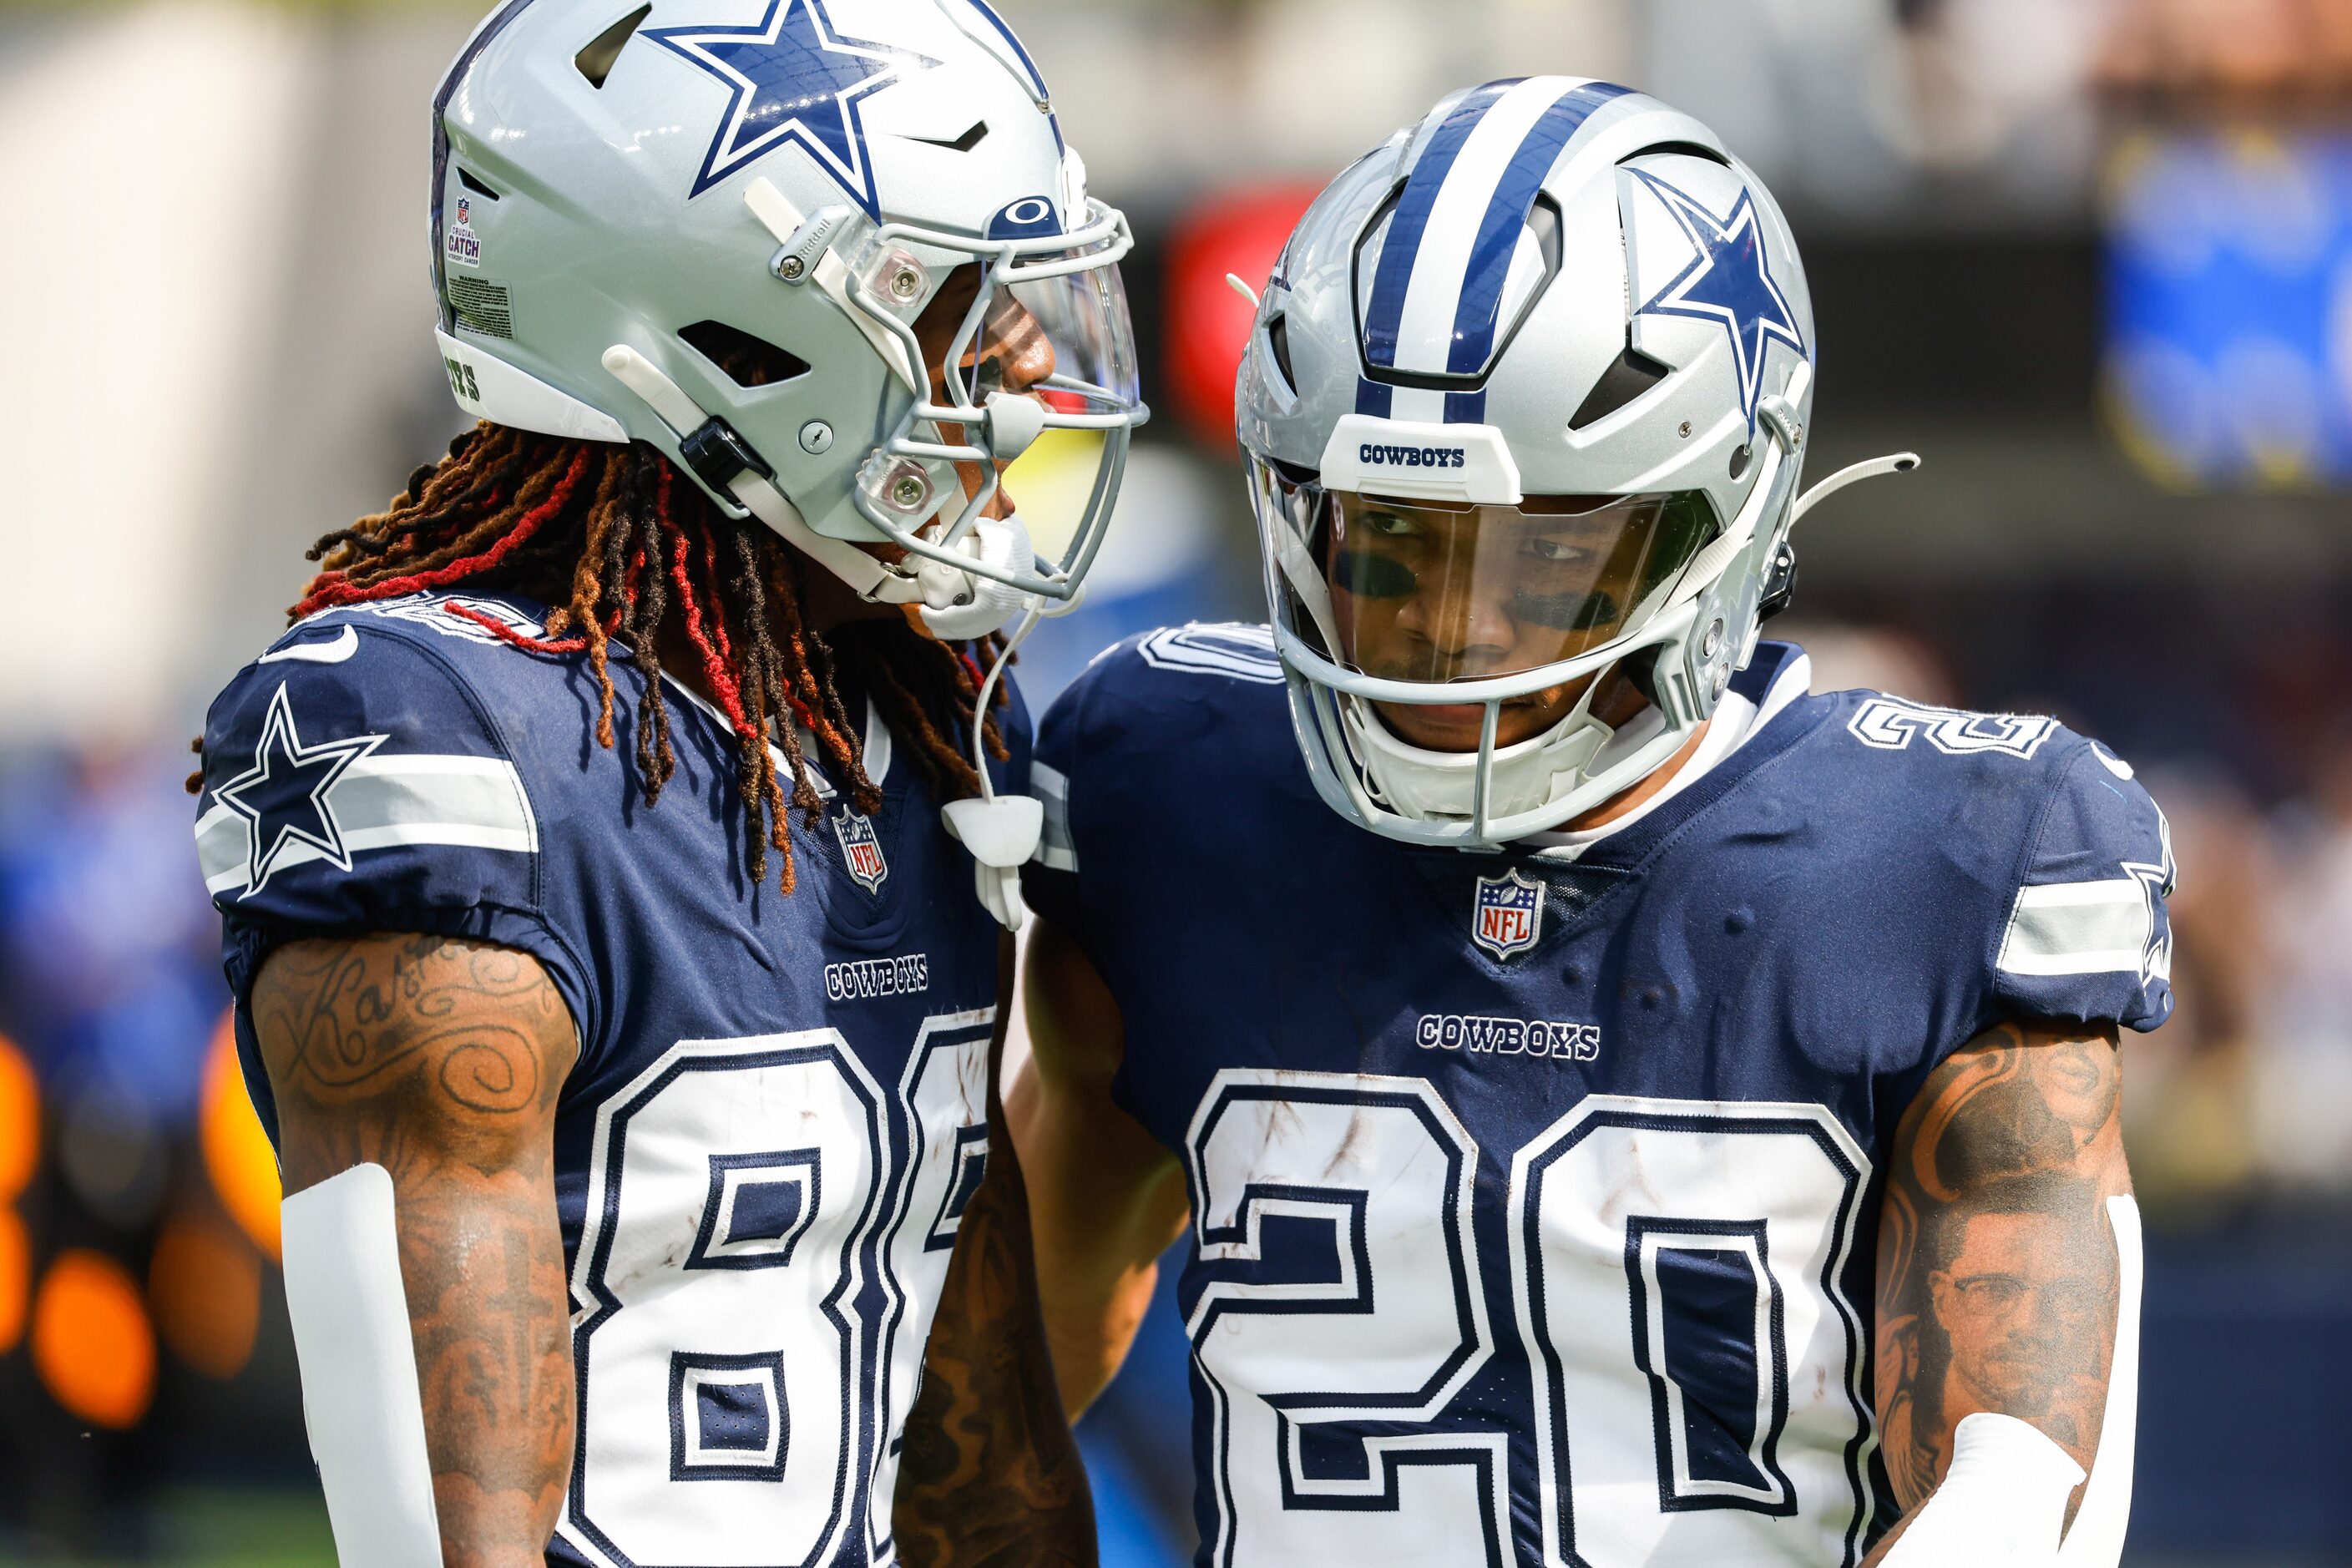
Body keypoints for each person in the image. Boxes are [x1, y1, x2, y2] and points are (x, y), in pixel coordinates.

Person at [1012, 78, 2163, 1566]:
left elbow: (2015, 1498)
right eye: (1387, 541)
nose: (1447, 629)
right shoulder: (1172, 793)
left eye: (1545, 555)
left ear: (1721, 514)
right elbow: (996, 1376)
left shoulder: (1939, 858)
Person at [190, 0, 1145, 1563]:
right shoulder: (453, 737)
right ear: (743, 338)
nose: (1026, 365)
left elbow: (968, 1415)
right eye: (959, 301)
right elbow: (441, 1525)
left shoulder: (926, 713)